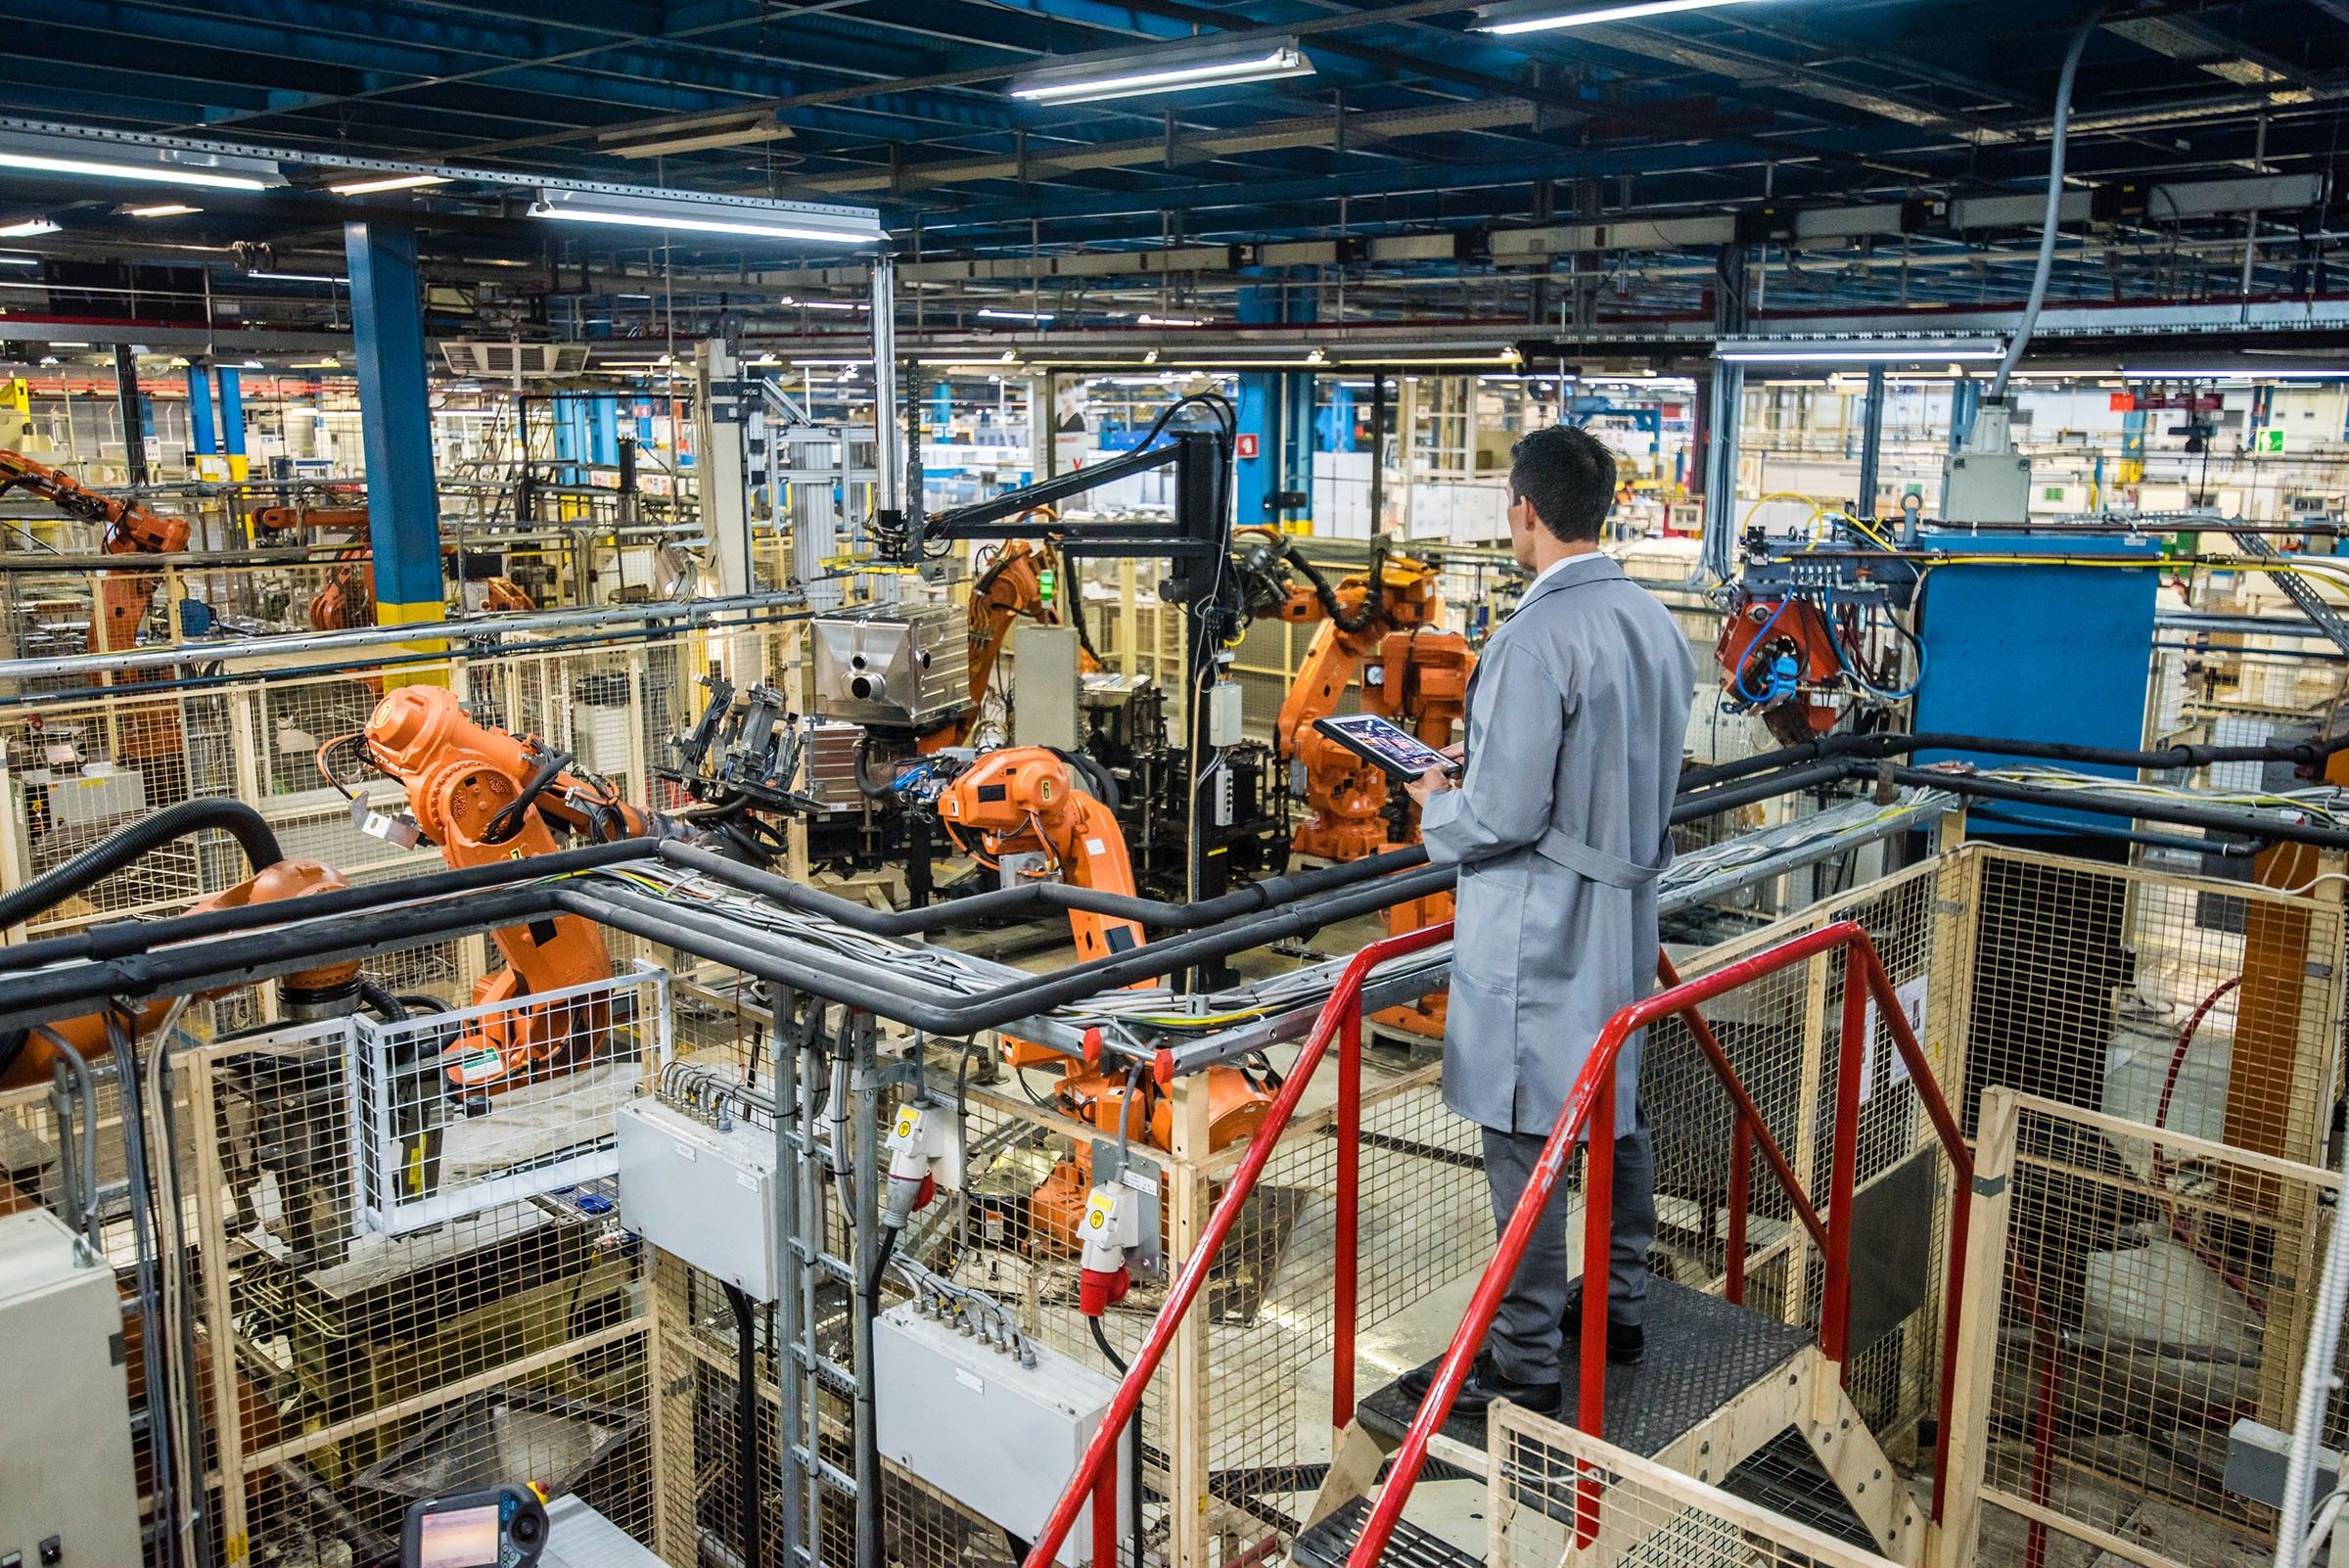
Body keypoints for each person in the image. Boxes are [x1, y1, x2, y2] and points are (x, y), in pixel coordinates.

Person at [1397, 425, 1695, 1416]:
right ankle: (1618, 1306)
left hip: (1542, 932)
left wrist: (1438, 800)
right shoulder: (1654, 622)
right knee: (1615, 1117)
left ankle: (1524, 1362)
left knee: (1526, 1143)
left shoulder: (1533, 639)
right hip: (1623, 919)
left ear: (1523, 507)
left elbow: (1504, 813)